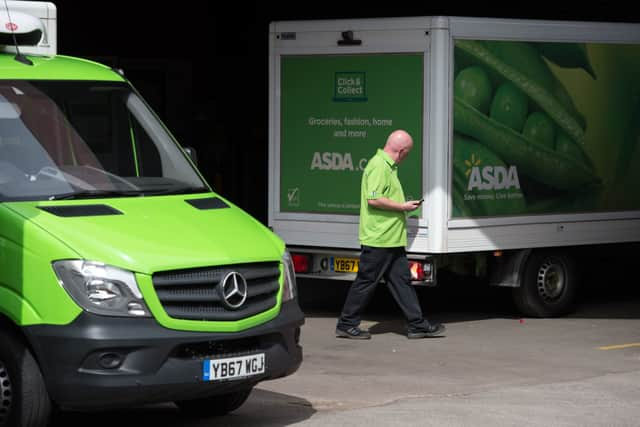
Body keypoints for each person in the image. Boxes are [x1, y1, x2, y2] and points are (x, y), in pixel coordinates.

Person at [335, 129, 445, 340]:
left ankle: (416, 324)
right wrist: (403, 207)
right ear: (402, 151)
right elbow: (373, 199)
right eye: (408, 153)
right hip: (379, 238)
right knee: (366, 281)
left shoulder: (387, 167)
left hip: (391, 239)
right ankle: (347, 323)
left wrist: (403, 207)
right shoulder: (379, 166)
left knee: (402, 281)